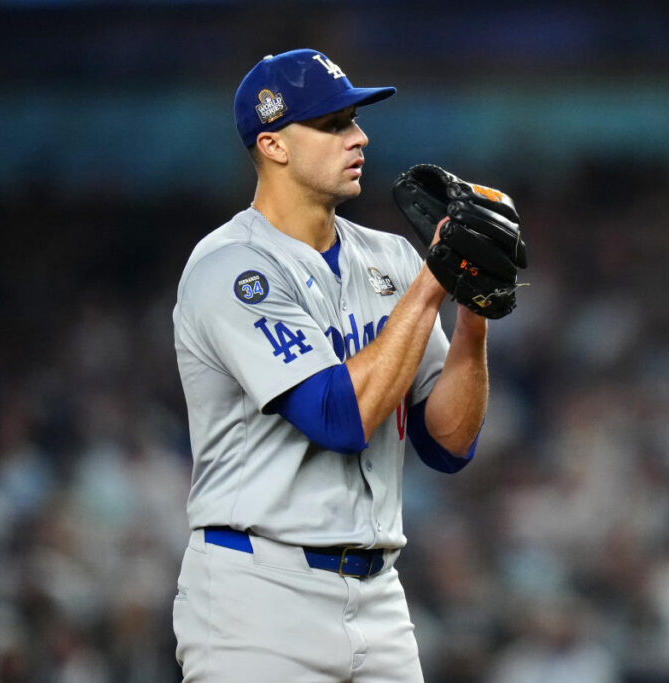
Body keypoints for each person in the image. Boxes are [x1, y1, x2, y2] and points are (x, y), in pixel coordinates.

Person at [171, 48, 491, 682]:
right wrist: (434, 284)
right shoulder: (231, 269)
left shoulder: (391, 257)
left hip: (379, 597)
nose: (359, 137)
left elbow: (447, 442)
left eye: (354, 119)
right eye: (334, 123)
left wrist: (474, 311)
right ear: (274, 145)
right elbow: (337, 417)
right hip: (258, 598)